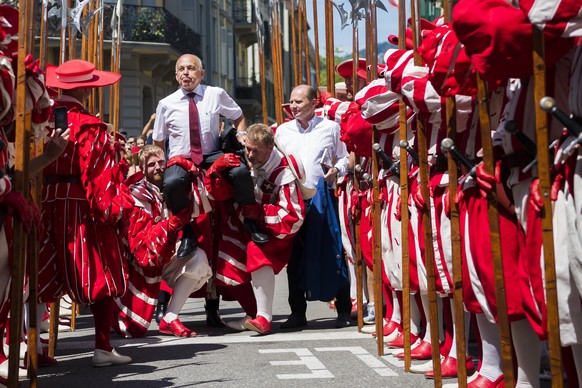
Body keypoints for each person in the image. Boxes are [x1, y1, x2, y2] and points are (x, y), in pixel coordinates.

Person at [38, 59, 133, 367]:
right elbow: (100, 178)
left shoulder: (40, 121)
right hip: (81, 206)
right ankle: (103, 347)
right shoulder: (91, 126)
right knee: (102, 270)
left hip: (45, 201)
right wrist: (113, 212)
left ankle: (33, 345)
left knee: (40, 272)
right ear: (88, 88)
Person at [152, 53, 257, 327]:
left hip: (210, 158)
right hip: (181, 162)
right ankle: (164, 302)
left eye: (191, 69)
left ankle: (251, 216)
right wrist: (158, 172)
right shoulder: (166, 104)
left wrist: (241, 135)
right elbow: (158, 141)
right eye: (181, 69)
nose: (186, 73)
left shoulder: (215, 93)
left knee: (240, 172)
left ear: (201, 73)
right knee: (174, 183)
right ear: (176, 76)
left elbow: (238, 116)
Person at [205, 124, 306, 334]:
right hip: (246, 225)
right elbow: (218, 195)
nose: (249, 154)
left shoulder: (284, 172)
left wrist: (260, 213)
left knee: (256, 250)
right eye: (247, 149)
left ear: (270, 148)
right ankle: (253, 313)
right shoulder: (244, 160)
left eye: (255, 150)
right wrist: (217, 169)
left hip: (274, 231)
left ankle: (264, 318)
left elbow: (294, 217)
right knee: (226, 258)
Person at [112, 145, 212, 338]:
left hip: (163, 253)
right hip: (138, 266)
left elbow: (206, 201)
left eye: (161, 162)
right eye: (151, 164)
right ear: (141, 169)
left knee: (199, 259)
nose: (158, 167)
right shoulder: (136, 196)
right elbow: (141, 248)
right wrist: (171, 224)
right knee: (131, 331)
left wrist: (193, 171)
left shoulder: (174, 186)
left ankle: (170, 317)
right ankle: (115, 313)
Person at [274, 84, 352, 329]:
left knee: (333, 250)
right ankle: (297, 312)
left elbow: (345, 156)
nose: (293, 106)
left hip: (323, 197)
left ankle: (343, 310)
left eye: (298, 102)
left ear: (314, 103)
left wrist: (337, 170)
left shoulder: (331, 128)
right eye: (291, 102)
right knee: (295, 257)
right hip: (293, 200)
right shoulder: (283, 131)